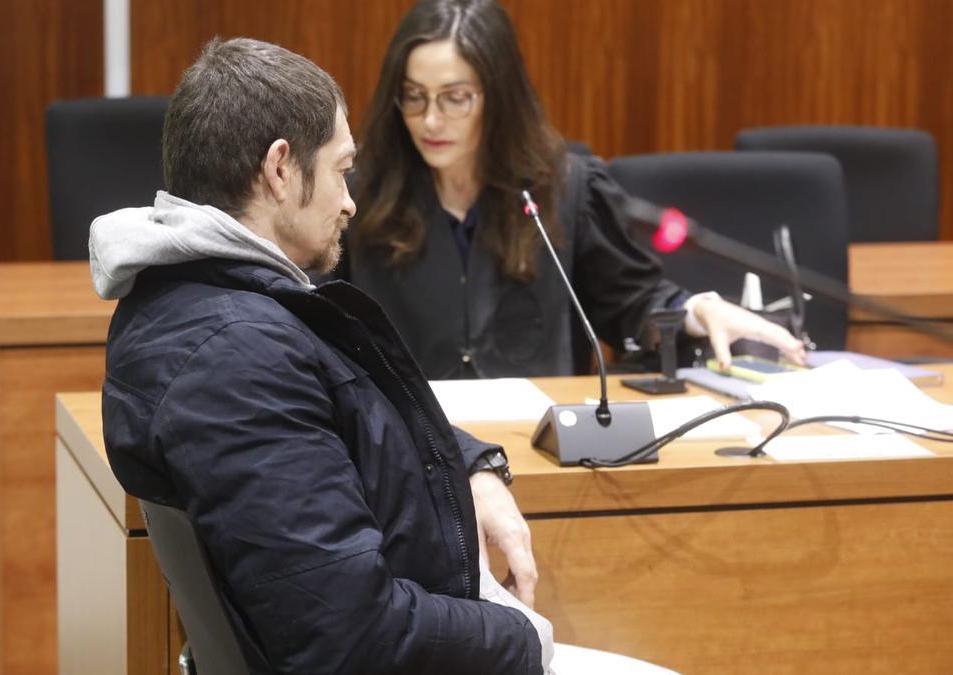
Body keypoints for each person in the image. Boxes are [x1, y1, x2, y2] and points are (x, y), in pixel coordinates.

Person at [90, 37, 551, 674]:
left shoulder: (206, 302)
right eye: (340, 169)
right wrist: (525, 639)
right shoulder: (235, 356)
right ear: (281, 169)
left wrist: (472, 462)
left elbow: (347, 413)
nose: (349, 200)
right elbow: (352, 637)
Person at [342, 0, 805, 380]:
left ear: (499, 97)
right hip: (404, 452)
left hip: (538, 441)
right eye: (414, 95)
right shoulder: (355, 196)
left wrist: (698, 310)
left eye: (455, 97)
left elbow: (632, 300)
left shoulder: (565, 190)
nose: (431, 120)